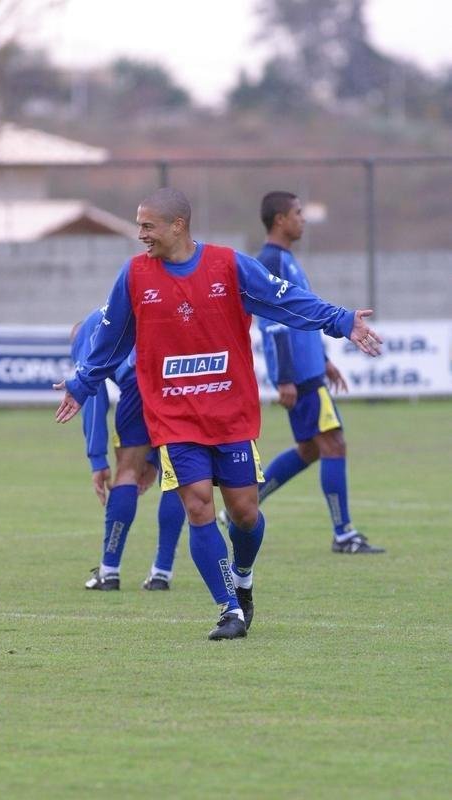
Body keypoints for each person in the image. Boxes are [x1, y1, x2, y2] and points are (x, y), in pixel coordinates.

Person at [54, 187, 382, 642]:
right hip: (172, 418)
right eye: (139, 225)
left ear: (177, 225)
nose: (140, 234)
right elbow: (109, 343)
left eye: (147, 225)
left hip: (229, 413)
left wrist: (343, 321)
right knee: (197, 505)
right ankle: (229, 607)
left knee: (245, 513)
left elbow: (287, 300)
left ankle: (243, 577)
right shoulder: (133, 276)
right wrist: (80, 383)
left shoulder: (229, 266)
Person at [252, 190, 385, 554]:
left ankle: (241, 507)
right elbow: (273, 324)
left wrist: (324, 358)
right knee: (333, 444)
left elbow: (303, 316)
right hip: (300, 374)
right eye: (297, 212)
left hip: (311, 368)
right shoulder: (270, 261)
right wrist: (283, 376)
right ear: (280, 219)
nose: (303, 219)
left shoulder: (287, 260)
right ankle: (343, 534)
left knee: (311, 449)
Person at [71, 308, 186, 592]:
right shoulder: (121, 308)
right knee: (174, 474)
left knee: (127, 473)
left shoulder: (87, 333)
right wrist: (152, 457)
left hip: (138, 380)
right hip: (175, 379)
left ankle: (109, 572)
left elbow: (93, 394)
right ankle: (162, 572)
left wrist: (97, 459)